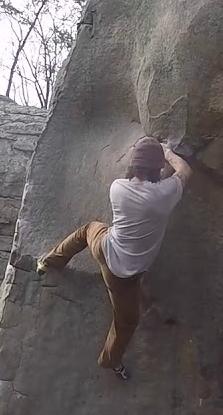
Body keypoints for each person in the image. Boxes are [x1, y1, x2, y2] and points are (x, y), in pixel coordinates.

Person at [32, 136, 192, 381]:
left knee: (86, 230)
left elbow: (154, 184)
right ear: (156, 169)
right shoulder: (162, 196)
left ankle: (49, 261)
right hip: (122, 276)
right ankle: (111, 361)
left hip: (103, 246)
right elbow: (184, 171)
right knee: (126, 323)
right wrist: (167, 152)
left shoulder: (118, 187)